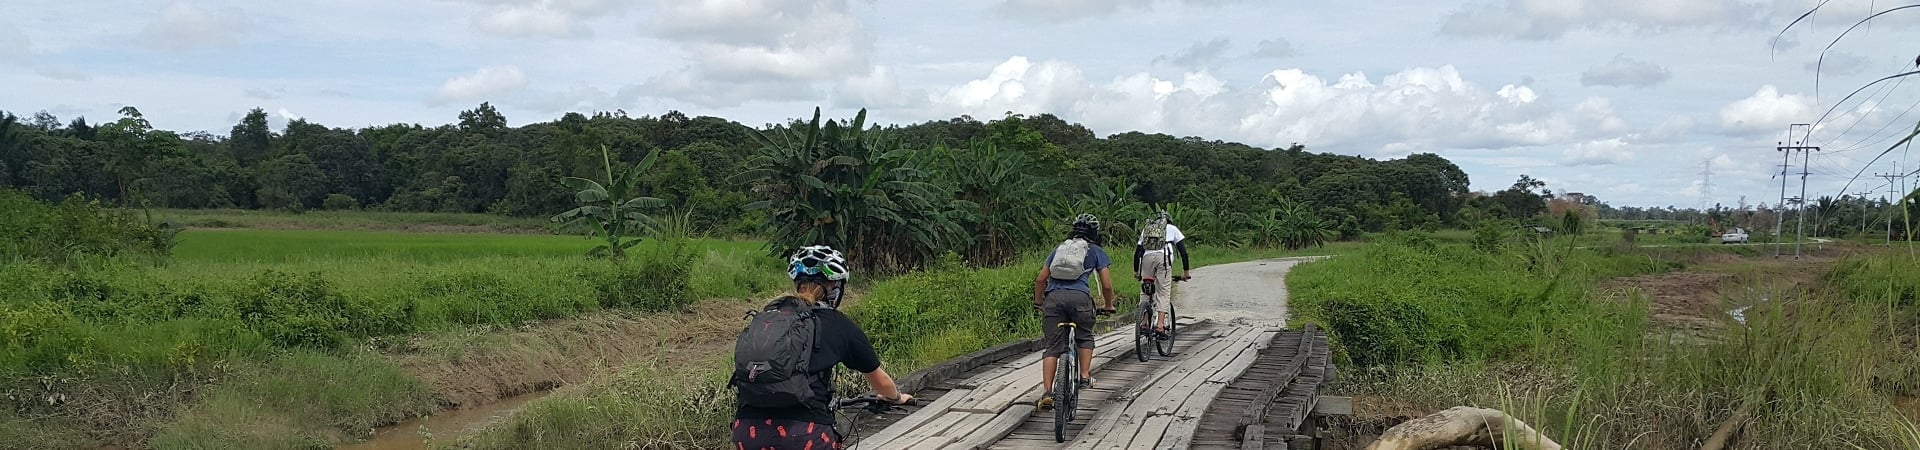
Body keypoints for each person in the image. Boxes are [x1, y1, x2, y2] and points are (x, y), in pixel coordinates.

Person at [731, 245, 912, 450]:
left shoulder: (769, 318)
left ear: (797, 283)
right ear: (835, 287)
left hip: (747, 432)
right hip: (804, 433)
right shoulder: (838, 324)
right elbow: (880, 381)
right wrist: (896, 397)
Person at [1033, 214, 1118, 411]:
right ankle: (1085, 376)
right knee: (1084, 335)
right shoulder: (1096, 251)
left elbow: (1040, 280)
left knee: (1053, 346)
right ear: (1094, 233)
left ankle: (1047, 392)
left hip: (1053, 299)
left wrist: (1039, 303)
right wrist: (1108, 305)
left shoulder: (1060, 249)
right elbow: (1106, 284)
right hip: (1080, 299)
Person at [1134, 210, 1190, 335]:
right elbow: (1183, 252)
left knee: (1145, 291)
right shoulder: (1172, 228)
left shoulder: (1147, 229)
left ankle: (1144, 323)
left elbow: (1137, 252)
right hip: (1163, 258)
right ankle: (1160, 326)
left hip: (1146, 259)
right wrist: (1186, 272)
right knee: (1163, 292)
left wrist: (1136, 272)